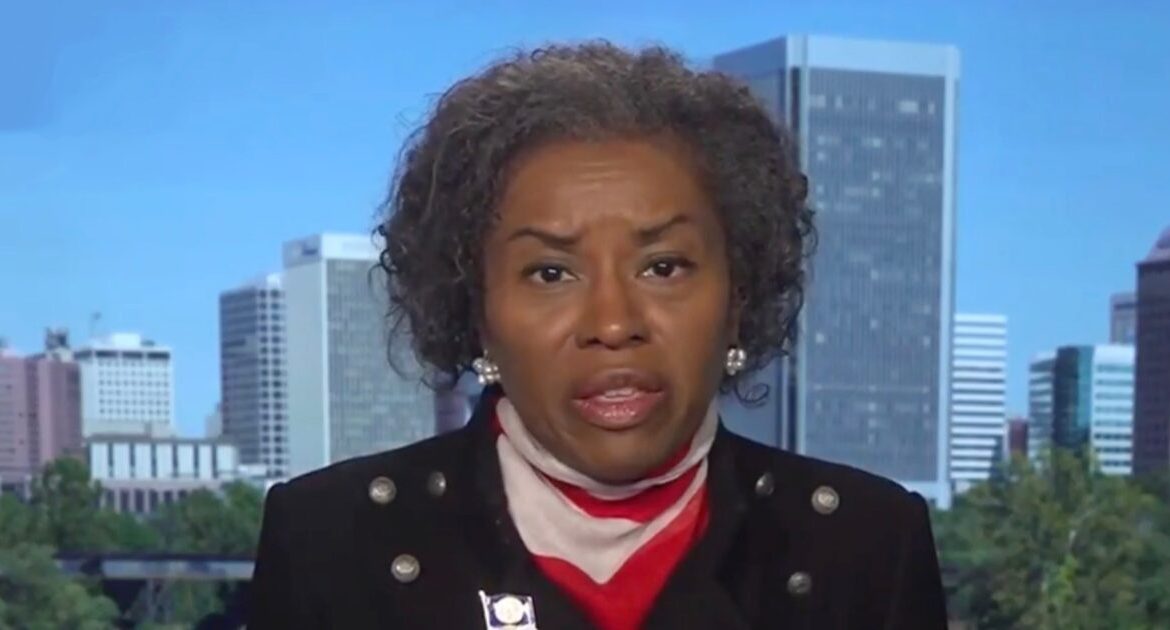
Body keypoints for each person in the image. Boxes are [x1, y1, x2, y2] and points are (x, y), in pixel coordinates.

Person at [248, 41, 949, 629]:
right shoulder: (329, 542)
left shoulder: (867, 545)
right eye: (551, 273)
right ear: (475, 310)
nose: (613, 324)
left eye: (664, 267)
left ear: (738, 296)